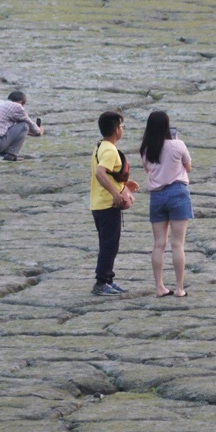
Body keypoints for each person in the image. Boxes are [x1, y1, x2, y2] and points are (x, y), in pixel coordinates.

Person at [139, 110, 193, 298]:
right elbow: (188, 167)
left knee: (159, 244)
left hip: (157, 197)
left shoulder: (146, 148)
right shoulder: (178, 144)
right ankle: (179, 288)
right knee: (177, 244)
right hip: (177, 193)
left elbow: (147, 169)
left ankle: (159, 287)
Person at [90, 110, 137, 296]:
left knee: (107, 244)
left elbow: (108, 173)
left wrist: (124, 184)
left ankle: (108, 279)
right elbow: (100, 173)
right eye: (122, 126)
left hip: (98, 204)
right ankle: (101, 282)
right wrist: (115, 194)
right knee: (109, 246)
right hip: (107, 205)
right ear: (116, 129)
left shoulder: (100, 146)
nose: (123, 129)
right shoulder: (110, 150)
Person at [0, 90, 43, 161]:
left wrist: (28, 133)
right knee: (24, 125)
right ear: (21, 102)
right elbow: (31, 126)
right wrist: (39, 131)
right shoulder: (17, 106)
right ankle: (7, 156)